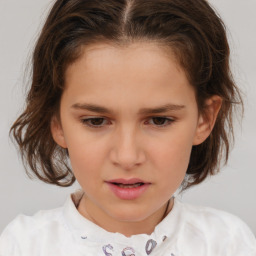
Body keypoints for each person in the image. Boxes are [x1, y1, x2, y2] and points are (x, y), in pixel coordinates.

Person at [0, 0, 255, 255]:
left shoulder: (228, 244)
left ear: (204, 119)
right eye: (95, 121)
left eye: (159, 120)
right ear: (56, 121)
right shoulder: (22, 246)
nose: (127, 157)